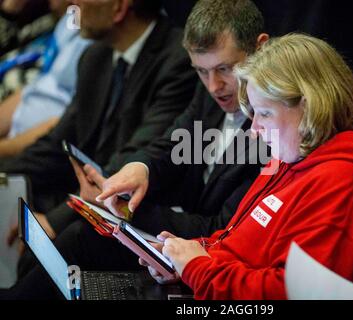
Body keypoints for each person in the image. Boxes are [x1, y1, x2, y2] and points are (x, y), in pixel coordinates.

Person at [0, 0, 269, 299]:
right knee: (78, 237)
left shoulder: (275, 122)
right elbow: (170, 145)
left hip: (212, 262)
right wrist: (138, 168)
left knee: (80, 240)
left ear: (260, 47)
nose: (214, 85)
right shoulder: (211, 93)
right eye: (202, 72)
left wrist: (125, 211)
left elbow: (223, 227)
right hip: (176, 241)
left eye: (224, 69)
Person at [137, 33, 353, 299]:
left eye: (265, 114)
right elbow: (238, 243)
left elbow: (289, 294)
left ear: (309, 108)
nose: (254, 130)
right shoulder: (291, 156)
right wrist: (187, 256)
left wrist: (200, 270)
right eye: (254, 113)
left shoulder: (345, 186)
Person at [0, 0, 196, 274]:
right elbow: (57, 144)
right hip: (83, 194)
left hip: (132, 212)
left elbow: (131, 161)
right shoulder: (96, 56)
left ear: (118, 8)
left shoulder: (177, 61)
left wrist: (54, 221)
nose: (74, 4)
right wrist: (4, 173)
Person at [0, 0, 92, 158]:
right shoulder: (72, 16)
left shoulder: (102, 47)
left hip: (44, 155)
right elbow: (38, 86)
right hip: (14, 134)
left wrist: (3, 149)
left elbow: (70, 123)